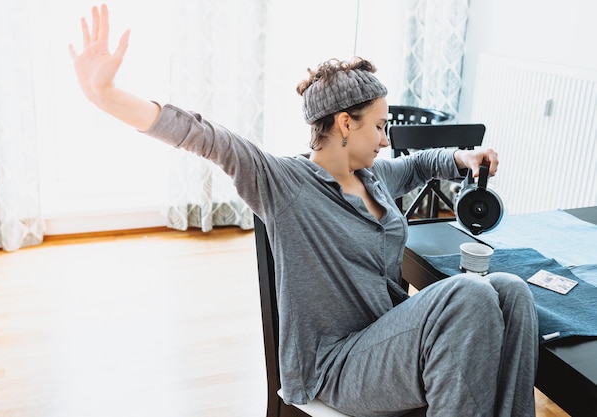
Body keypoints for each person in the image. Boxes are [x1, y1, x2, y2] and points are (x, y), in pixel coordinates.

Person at [69, 5, 539, 417]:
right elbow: (205, 136)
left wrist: (461, 159)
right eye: (378, 126)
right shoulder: (284, 184)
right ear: (343, 124)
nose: (384, 138)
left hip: (387, 338)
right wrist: (107, 96)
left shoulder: (373, 179)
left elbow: (417, 165)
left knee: (510, 291)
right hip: (335, 365)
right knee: (468, 296)